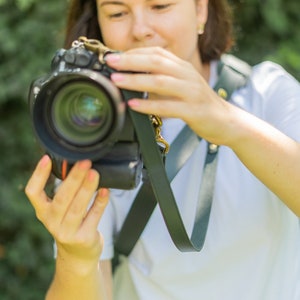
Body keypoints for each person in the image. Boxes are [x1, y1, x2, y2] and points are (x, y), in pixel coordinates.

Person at [25, 0, 300, 299]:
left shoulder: (266, 93)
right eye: (117, 13)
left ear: (200, 10)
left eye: (160, 5)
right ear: (98, 26)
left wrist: (229, 122)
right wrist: (76, 258)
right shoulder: (89, 123)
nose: (141, 30)